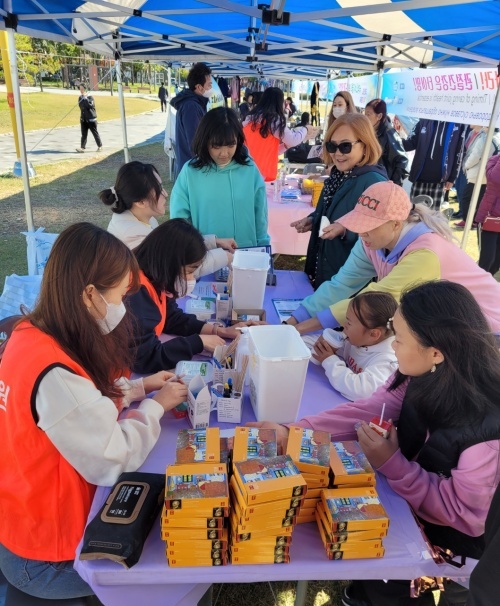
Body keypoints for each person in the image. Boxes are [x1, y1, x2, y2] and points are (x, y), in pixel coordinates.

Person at [252, 280, 500, 606]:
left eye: (399, 338)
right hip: (400, 507)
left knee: (405, 594)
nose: (391, 346)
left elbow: (463, 514)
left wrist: (391, 462)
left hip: (443, 548)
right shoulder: (416, 371)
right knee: (373, 576)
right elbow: (367, 410)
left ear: (435, 352)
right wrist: (294, 432)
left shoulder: (486, 431)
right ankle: (362, 593)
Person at [0, 223, 188, 600]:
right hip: (47, 555)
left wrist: (138, 387)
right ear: (89, 294)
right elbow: (112, 457)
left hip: (21, 520)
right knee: (175, 571)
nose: (122, 307)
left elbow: (77, 406)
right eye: (119, 295)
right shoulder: (52, 373)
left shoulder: (30, 334)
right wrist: (154, 406)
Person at [286, 180, 500, 335]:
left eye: (369, 226)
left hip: (487, 329)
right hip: (450, 323)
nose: (362, 233)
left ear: (396, 224)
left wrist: (301, 329)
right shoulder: (370, 242)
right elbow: (341, 285)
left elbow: (375, 299)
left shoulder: (425, 253)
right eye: (360, 224)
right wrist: (291, 322)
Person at [127, 218, 252, 374]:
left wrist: (218, 331)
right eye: (189, 271)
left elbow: (170, 317)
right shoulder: (135, 294)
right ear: (168, 264)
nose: (191, 278)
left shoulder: (154, 279)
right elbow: (146, 359)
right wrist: (197, 342)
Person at [290, 113, 387, 288]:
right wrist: (314, 219)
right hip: (327, 269)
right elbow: (333, 210)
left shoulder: (374, 182)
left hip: (350, 280)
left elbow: (383, 234)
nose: (337, 154)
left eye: (345, 146)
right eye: (332, 146)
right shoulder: (338, 175)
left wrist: (344, 230)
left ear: (365, 145)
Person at [100, 160, 232, 276]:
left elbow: (173, 247)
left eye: (162, 186)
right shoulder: (133, 236)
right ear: (140, 202)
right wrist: (225, 257)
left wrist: (214, 242)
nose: (165, 194)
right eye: (159, 190)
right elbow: (176, 269)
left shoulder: (143, 217)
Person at [170, 107, 270, 248]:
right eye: (216, 146)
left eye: (231, 145)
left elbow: (260, 214)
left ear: (238, 140)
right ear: (205, 141)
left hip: (245, 254)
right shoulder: (190, 172)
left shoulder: (249, 169)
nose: (224, 153)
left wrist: (263, 246)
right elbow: (179, 219)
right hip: (205, 255)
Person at [304, 291, 398, 400]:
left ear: (373, 334)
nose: (344, 325)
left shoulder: (388, 361)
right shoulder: (359, 340)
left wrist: (329, 360)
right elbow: (312, 344)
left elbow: (360, 391)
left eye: (349, 323)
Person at [242, 87, 318, 182]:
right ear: (279, 103)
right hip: (263, 178)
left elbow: (269, 151)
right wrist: (306, 129)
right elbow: (293, 139)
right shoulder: (273, 121)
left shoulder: (250, 120)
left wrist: (286, 146)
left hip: (247, 174)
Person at [402, 118, 466, 210]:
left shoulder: (457, 125)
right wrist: (392, 138)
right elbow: (410, 143)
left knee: (433, 218)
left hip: (439, 181)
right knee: (414, 215)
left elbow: (459, 152)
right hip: (419, 178)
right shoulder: (424, 121)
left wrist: (452, 178)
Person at [170, 62, 212, 177]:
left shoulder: (195, 104)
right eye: (209, 85)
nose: (211, 88)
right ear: (199, 87)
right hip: (193, 170)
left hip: (192, 167)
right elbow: (195, 144)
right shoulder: (191, 107)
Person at [455, 126, 500, 228]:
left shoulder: (485, 138)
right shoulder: (497, 137)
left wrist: (466, 165)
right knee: (480, 199)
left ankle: (469, 221)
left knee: (466, 198)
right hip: (488, 173)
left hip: (477, 173)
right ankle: (474, 221)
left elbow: (475, 155)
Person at [364, 98, 409, 187]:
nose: (365, 117)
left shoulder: (389, 134)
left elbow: (402, 161)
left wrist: (393, 185)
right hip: (370, 180)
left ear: (379, 116)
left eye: (368, 114)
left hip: (383, 183)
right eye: (365, 114)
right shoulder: (370, 131)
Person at [475, 153, 500, 275]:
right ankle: (478, 286)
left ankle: (486, 285)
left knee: (496, 263)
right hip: (489, 218)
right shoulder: (495, 159)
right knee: (487, 259)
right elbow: (496, 179)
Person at [76, 84, 102, 153]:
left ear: (85, 89)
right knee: (84, 134)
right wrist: (82, 99)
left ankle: (100, 146)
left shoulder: (90, 97)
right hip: (83, 119)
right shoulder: (80, 97)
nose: (81, 90)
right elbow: (81, 106)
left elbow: (90, 106)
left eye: (82, 89)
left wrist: (86, 99)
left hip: (91, 119)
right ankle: (82, 148)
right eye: (80, 89)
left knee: (95, 133)